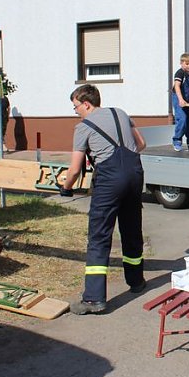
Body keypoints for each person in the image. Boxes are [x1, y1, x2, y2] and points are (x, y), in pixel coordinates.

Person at [61, 84, 147, 315]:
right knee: (131, 229)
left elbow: (75, 169)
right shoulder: (120, 113)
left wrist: (65, 188)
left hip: (109, 180)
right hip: (135, 174)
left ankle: (94, 299)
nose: (75, 112)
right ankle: (137, 281)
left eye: (76, 107)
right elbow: (141, 144)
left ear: (86, 104)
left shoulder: (83, 128)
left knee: (99, 236)